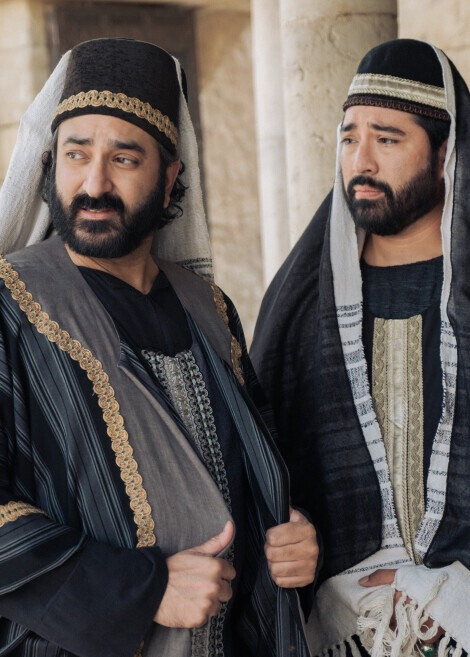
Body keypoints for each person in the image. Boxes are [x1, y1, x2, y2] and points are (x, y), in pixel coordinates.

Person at [0, 38, 318, 657]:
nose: (94, 183)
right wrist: (141, 592)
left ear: (169, 180)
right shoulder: (12, 304)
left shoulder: (210, 309)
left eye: (123, 158)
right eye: (76, 155)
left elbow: (261, 475)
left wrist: (298, 539)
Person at [251, 38, 470, 657]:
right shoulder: (298, 309)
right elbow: (262, 472)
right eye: (348, 139)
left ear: (446, 152)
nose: (360, 160)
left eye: (387, 139)